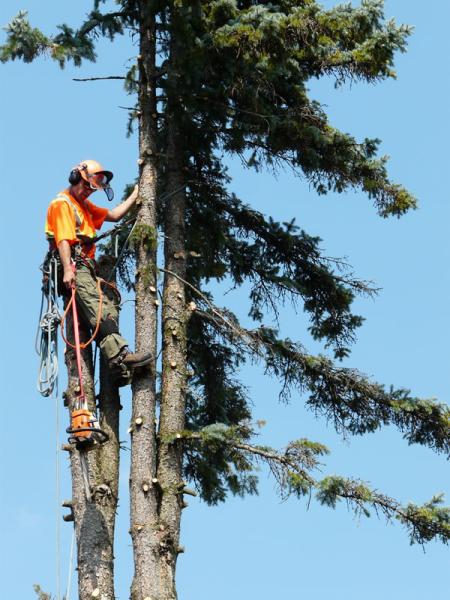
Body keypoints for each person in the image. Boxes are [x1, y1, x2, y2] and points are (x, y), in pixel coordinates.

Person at [45, 159, 151, 383]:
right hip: (73, 264)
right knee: (96, 306)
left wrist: (134, 196)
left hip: (85, 267)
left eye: (92, 190)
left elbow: (113, 216)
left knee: (107, 307)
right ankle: (120, 355)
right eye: (85, 187)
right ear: (75, 179)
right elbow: (64, 240)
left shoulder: (83, 205)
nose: (87, 193)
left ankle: (117, 369)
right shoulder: (62, 204)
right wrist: (67, 270)